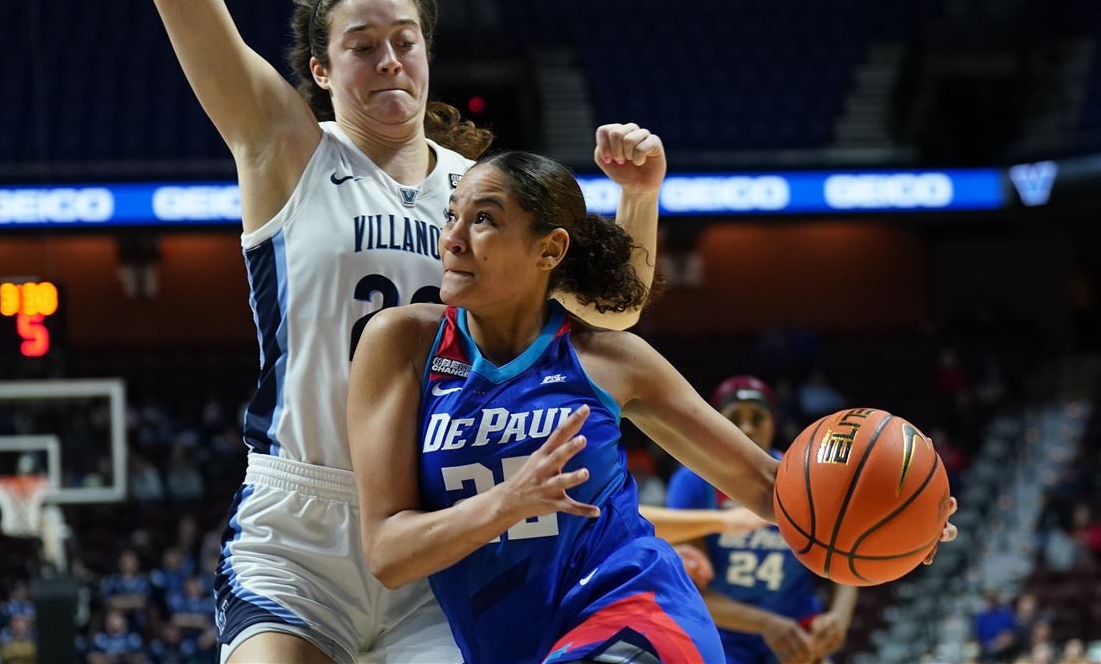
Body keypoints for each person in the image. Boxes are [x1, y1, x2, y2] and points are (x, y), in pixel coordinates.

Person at [133, 0, 664, 662]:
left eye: (403, 42)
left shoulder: (487, 191)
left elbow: (612, 307)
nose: (389, 60)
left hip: (440, 527)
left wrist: (639, 195)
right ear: (321, 70)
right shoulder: (285, 148)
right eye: (362, 47)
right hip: (300, 530)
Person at [348, 152, 956, 663]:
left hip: (636, 612)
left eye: (483, 220)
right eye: (453, 214)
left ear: (549, 250)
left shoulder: (611, 360)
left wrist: (903, 519)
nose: (451, 236)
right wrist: (506, 503)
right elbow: (389, 554)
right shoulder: (402, 342)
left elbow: (775, 488)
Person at [666, 375, 858, 664]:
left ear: (773, 423)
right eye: (734, 418)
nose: (746, 428)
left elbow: (847, 552)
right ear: (716, 424)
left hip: (797, 628)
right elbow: (691, 589)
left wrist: (839, 618)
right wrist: (765, 623)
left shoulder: (804, 476)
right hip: (723, 632)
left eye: (758, 417)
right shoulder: (692, 482)